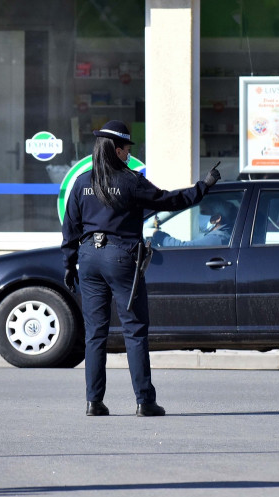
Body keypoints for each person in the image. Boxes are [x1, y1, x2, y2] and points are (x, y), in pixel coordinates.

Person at [61, 120, 221, 417]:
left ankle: (93, 402)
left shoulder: (83, 182)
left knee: (95, 334)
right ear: (117, 149)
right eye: (126, 149)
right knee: (134, 330)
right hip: (121, 257)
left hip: (89, 258)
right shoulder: (130, 181)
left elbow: (69, 228)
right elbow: (169, 200)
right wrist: (204, 186)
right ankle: (144, 401)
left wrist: (69, 264)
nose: (129, 154)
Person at [151, 200, 235, 247]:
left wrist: (159, 236)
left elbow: (184, 248)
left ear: (217, 218)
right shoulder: (225, 233)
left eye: (203, 212)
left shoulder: (217, 238)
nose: (200, 216)